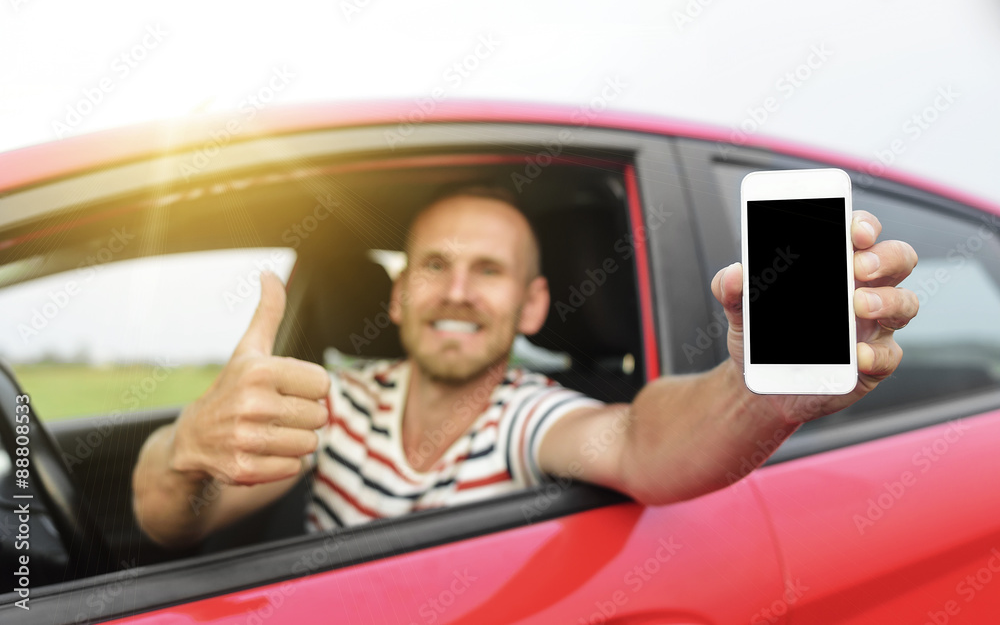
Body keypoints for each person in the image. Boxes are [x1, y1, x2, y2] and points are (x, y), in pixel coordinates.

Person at [132, 188, 919, 546]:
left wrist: (758, 390)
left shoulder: (528, 414)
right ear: (401, 295)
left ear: (534, 305)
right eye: (435, 265)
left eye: (490, 270)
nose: (460, 292)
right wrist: (187, 443)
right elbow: (173, 521)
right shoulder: (334, 401)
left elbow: (644, 440)